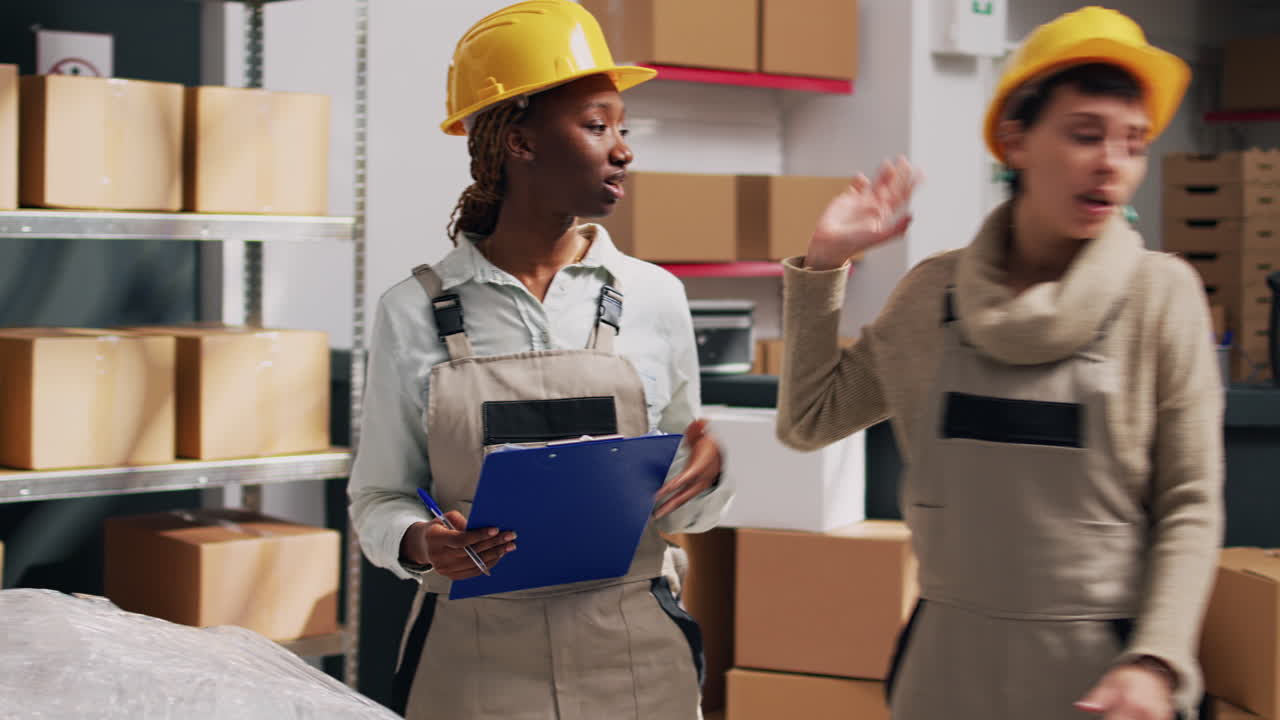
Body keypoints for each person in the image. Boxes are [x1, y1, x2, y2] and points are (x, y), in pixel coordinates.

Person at [777, 7, 1221, 720]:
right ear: (1016, 139)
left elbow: (1190, 503)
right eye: (1085, 134)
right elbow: (811, 419)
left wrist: (1157, 660)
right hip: (946, 668)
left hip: (1104, 677)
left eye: (1133, 143)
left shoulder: (1161, 297)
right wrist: (826, 264)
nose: (1112, 163)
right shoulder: (932, 295)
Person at [347, 2, 730, 718]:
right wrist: (421, 542)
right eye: (597, 125)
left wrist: (705, 477)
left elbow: (691, 508)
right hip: (476, 666)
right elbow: (378, 499)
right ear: (519, 142)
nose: (623, 151)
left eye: (623, 128)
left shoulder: (654, 298)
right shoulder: (413, 312)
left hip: (636, 663)